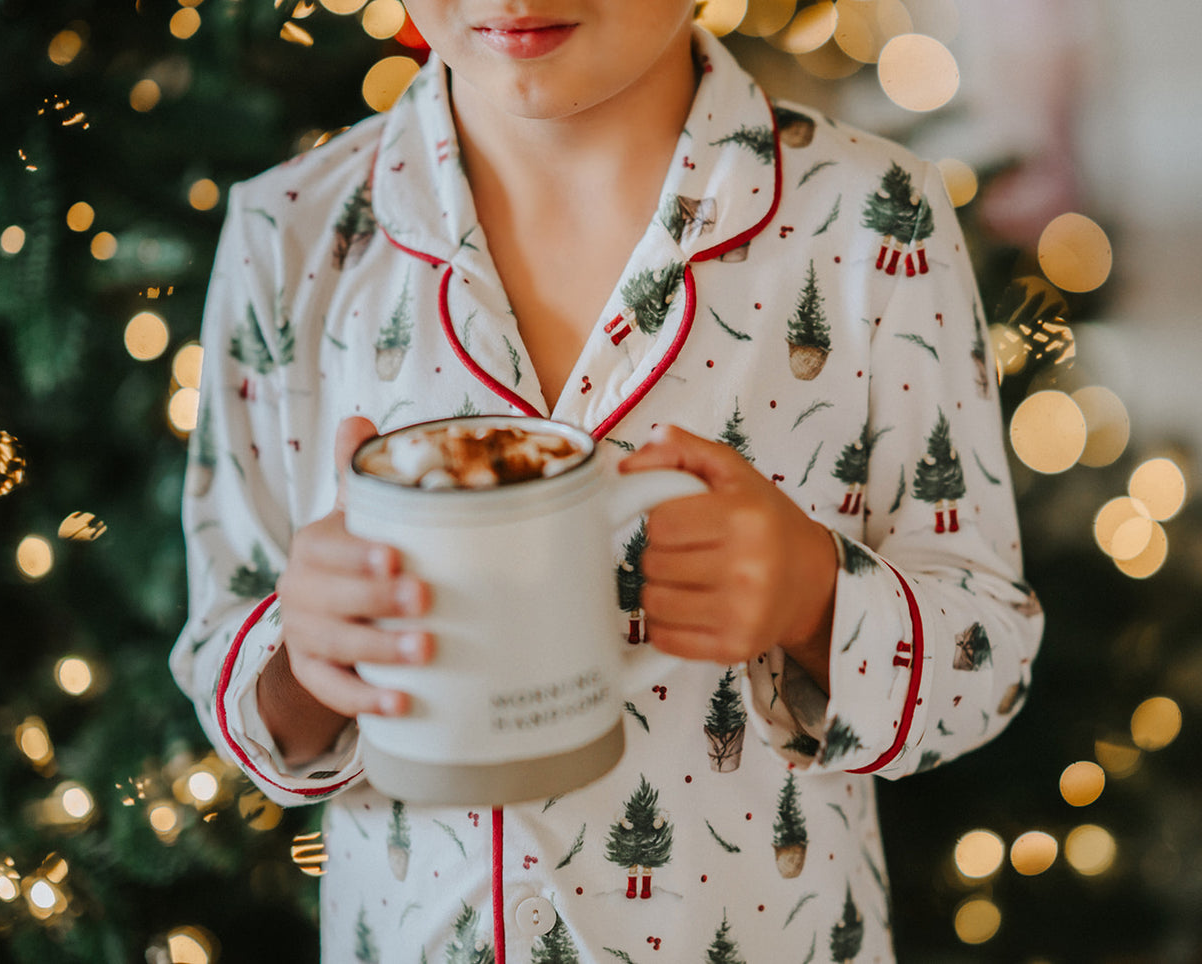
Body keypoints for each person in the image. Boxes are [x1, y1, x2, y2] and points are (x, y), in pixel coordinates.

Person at [171, 3, 1044, 961]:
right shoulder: (288, 233)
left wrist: (812, 598)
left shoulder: (874, 218)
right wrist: (309, 659)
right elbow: (232, 647)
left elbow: (986, 660)